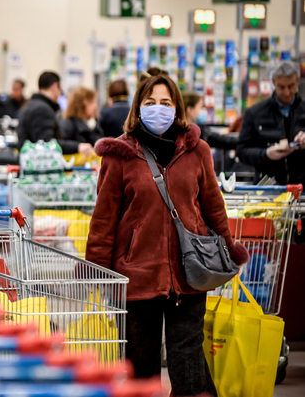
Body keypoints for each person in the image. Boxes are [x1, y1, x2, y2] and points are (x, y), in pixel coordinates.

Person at [87, 74, 248, 396]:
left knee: (187, 358)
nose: (157, 110)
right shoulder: (119, 155)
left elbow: (213, 204)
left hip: (190, 273)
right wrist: (97, 269)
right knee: (141, 363)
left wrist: (229, 246)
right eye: (149, 103)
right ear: (137, 108)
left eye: (165, 103)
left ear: (176, 109)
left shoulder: (197, 150)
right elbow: (104, 219)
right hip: (136, 275)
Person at [237, 60, 305, 185]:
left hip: (302, 189)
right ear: (273, 83)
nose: (287, 92)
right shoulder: (254, 113)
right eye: (281, 87)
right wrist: (266, 154)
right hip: (268, 191)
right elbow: (241, 151)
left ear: (298, 82)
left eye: (291, 86)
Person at [17, 71, 92, 155]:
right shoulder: (42, 109)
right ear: (55, 86)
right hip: (37, 165)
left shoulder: (30, 105)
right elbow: (47, 145)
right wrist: (77, 147)